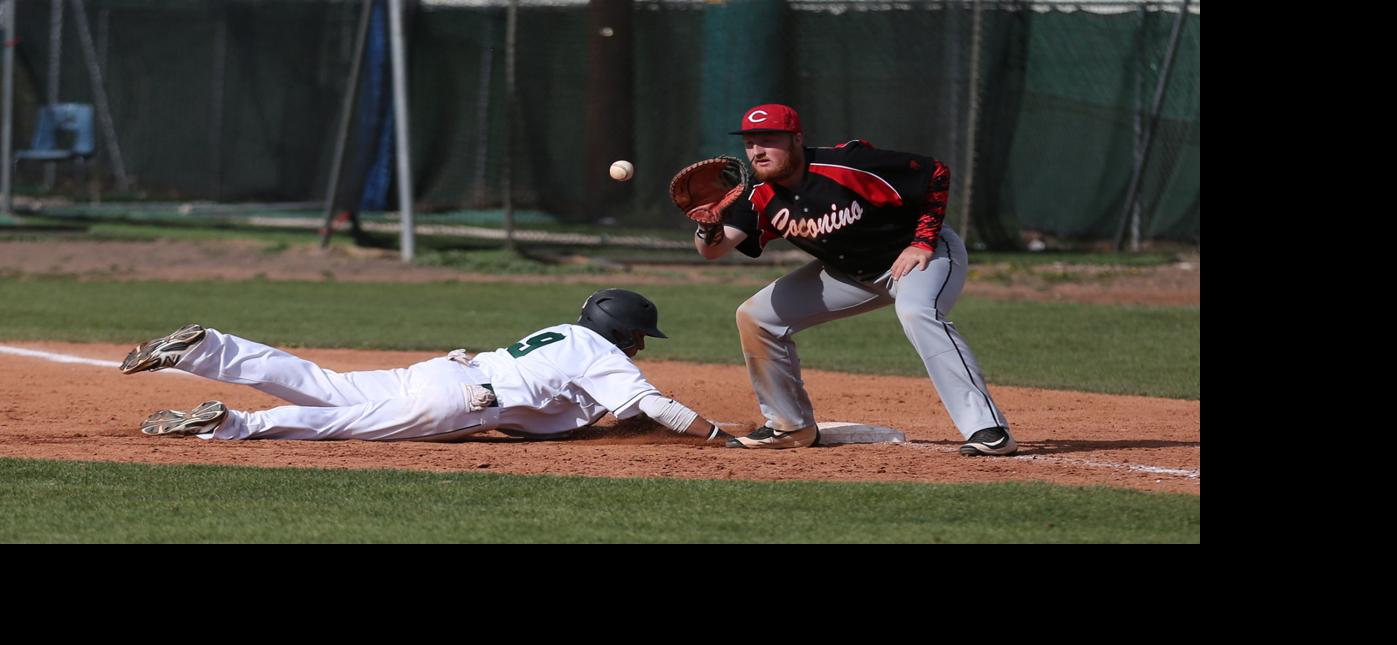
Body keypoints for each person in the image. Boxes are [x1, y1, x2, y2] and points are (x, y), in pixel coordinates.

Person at [693, 103, 1017, 456]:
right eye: (750, 142)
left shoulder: (847, 164)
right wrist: (707, 225)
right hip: (849, 274)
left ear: (796, 139)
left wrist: (922, 241)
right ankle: (789, 426)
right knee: (756, 317)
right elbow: (714, 249)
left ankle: (989, 429)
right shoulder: (757, 193)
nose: (758, 150)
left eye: (769, 140)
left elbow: (935, 172)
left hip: (917, 258)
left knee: (917, 312)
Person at [121, 289, 731, 444]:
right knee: (344, 424)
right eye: (638, 336)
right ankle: (231, 425)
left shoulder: (566, 334)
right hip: (459, 403)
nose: (640, 346)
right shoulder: (602, 354)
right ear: (620, 330)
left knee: (322, 384)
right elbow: (651, 403)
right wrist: (717, 436)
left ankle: (207, 347)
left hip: (444, 371)